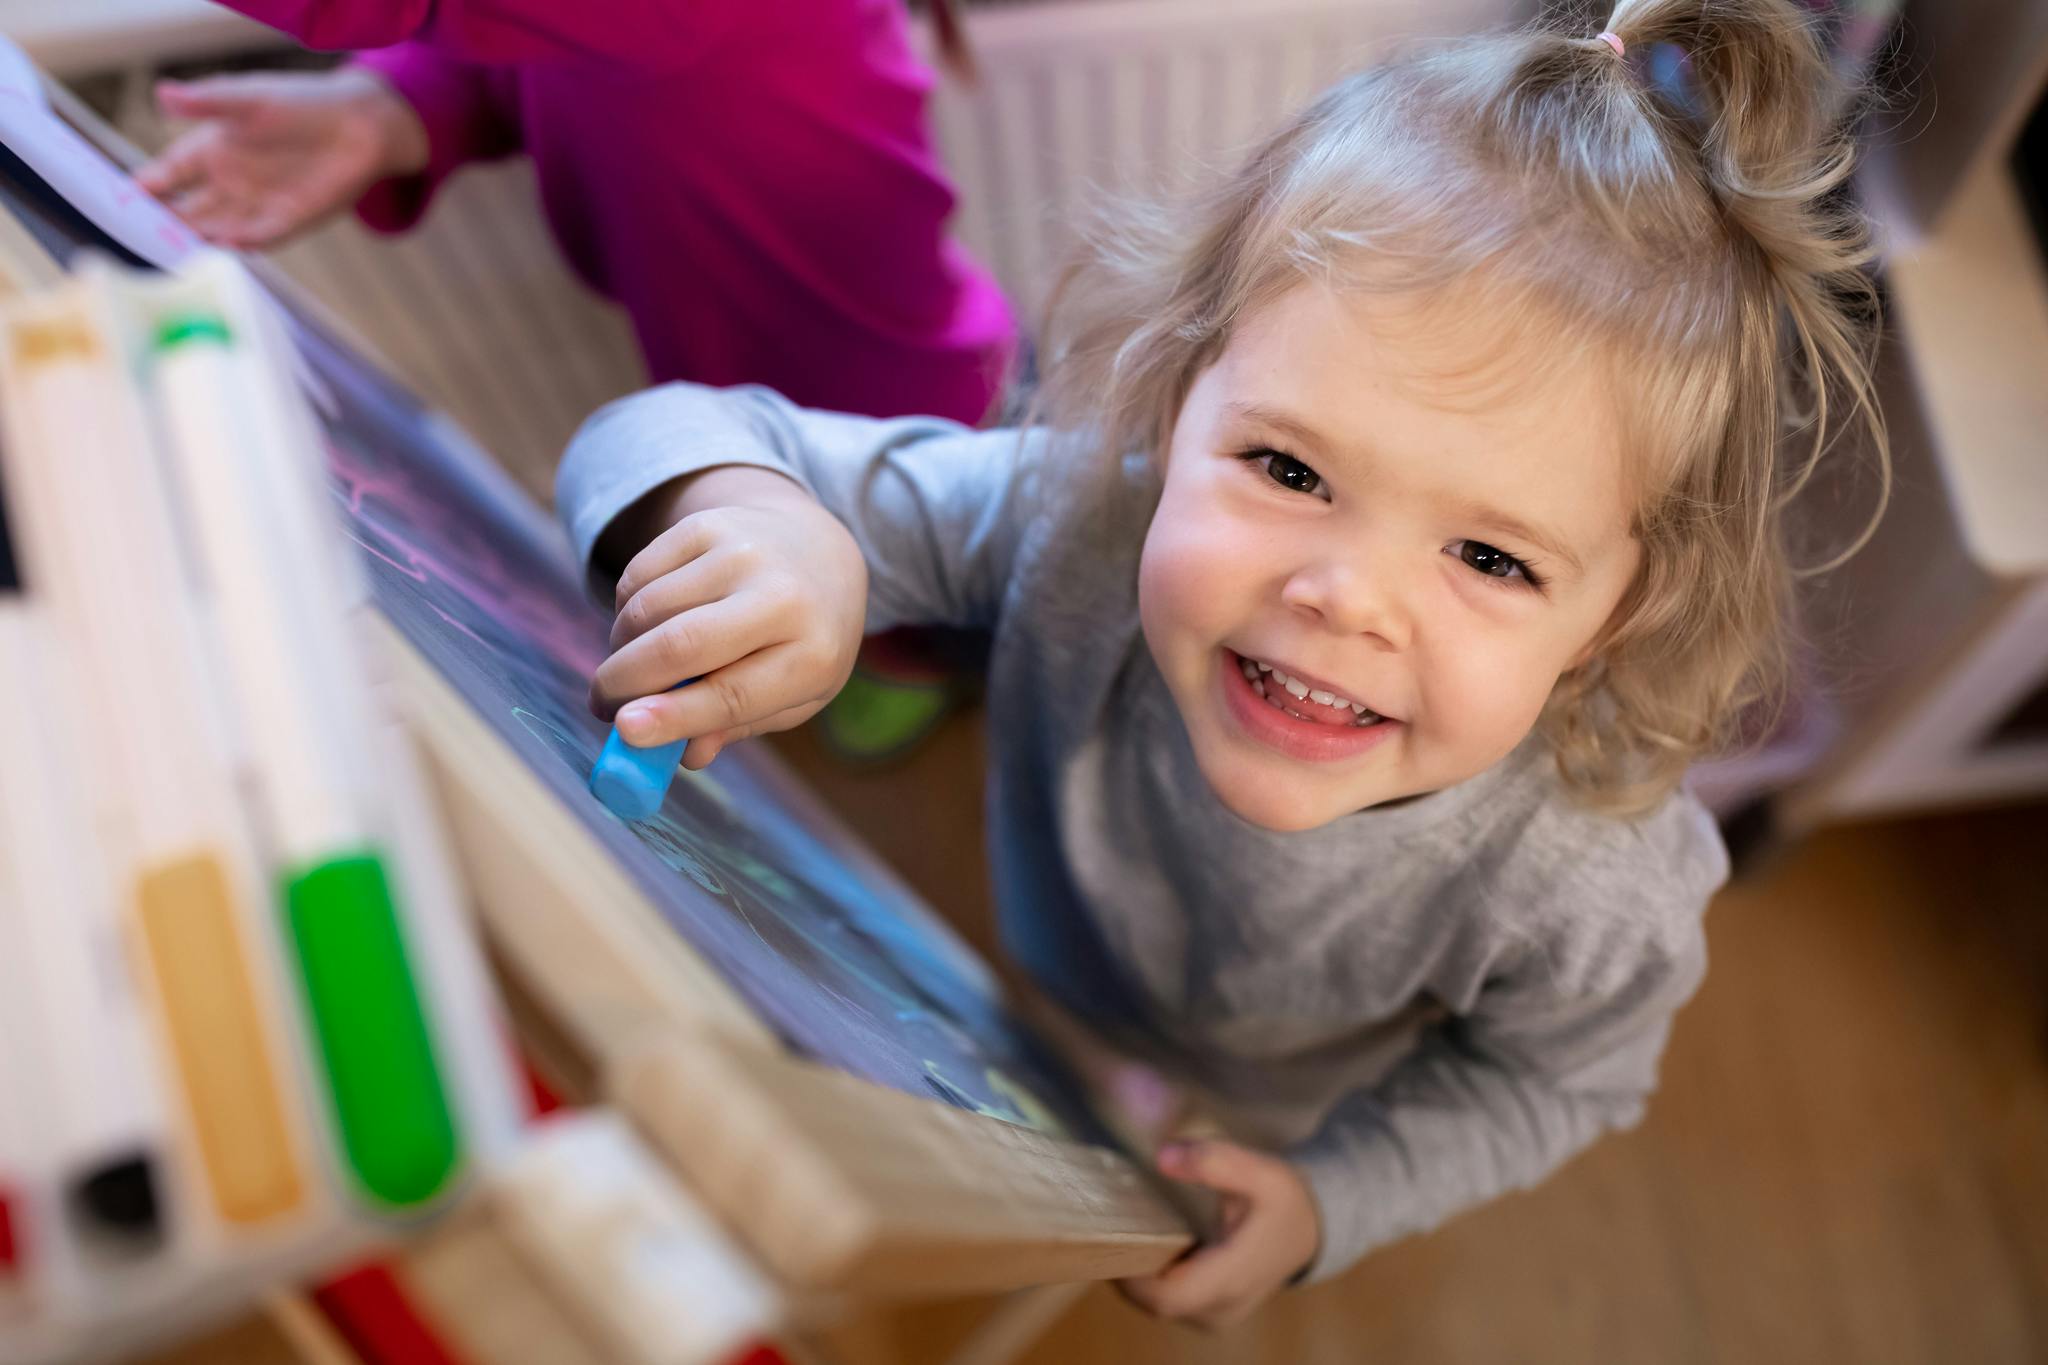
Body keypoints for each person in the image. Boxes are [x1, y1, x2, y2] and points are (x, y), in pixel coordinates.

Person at [554, 0, 1886, 1327]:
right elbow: (660, 431)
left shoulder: (1591, 882)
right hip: (1046, 955)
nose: (1345, 599)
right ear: (1181, 392)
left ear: (1616, 612)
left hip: (1276, 1092)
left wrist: (1329, 1198)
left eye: (1491, 559)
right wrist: (771, 520)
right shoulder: (1077, 518)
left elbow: (1557, 1083)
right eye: (1290, 468)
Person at [134, 0, 1013, 428]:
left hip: (891, 410)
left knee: (910, 599)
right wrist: (392, 106)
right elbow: (545, 48)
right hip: (777, 376)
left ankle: (912, 654)